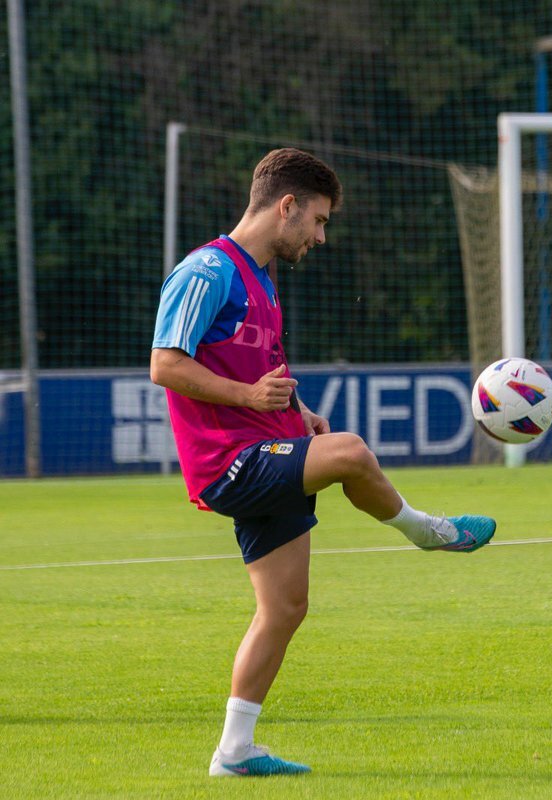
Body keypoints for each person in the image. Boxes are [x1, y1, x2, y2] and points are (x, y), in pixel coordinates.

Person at [150, 148, 496, 777]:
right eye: (318, 219)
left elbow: (265, 366)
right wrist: (248, 398)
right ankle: (427, 531)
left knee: (284, 608)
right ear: (287, 206)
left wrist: (300, 408)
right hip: (230, 460)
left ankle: (234, 752)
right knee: (352, 453)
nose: (320, 236)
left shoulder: (261, 280)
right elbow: (165, 364)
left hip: (267, 446)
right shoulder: (206, 271)